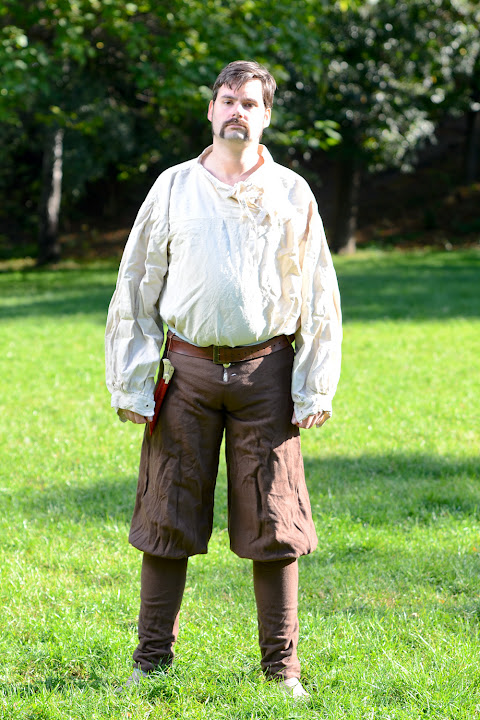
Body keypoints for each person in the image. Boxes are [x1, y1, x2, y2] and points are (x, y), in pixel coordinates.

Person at [105, 60, 342, 699]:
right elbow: (137, 282)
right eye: (228, 99)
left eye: (251, 102)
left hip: (268, 374)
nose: (238, 110)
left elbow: (318, 290)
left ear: (266, 116)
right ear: (211, 110)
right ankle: (150, 662)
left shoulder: (292, 192)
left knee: (276, 521)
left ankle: (282, 671)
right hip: (187, 372)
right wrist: (133, 381)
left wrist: (314, 384)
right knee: (167, 514)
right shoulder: (173, 188)